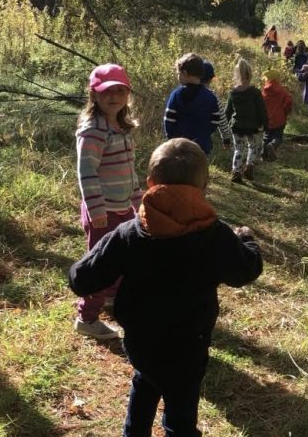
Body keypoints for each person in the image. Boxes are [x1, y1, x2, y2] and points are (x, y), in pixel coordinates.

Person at [68, 138, 263, 437]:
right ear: (205, 186)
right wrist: (247, 240)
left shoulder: (129, 234)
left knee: (145, 380)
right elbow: (246, 271)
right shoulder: (215, 235)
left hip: (141, 342)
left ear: (149, 184)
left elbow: (81, 279)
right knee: (181, 409)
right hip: (189, 345)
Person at [74, 64, 144, 339]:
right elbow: (87, 171)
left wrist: (137, 201)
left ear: (127, 94)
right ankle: (86, 318)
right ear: (94, 95)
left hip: (122, 206)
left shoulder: (122, 126)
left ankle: (112, 296)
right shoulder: (93, 130)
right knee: (101, 264)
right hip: (102, 210)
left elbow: (129, 169)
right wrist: (96, 208)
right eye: (107, 92)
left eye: (119, 91)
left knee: (123, 256)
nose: (113, 97)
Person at [164, 53, 232, 154]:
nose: (178, 76)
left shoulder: (176, 95)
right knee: (198, 169)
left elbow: (169, 119)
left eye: (178, 74)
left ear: (185, 73)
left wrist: (171, 138)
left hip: (178, 146)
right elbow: (215, 120)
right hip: (201, 148)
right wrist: (205, 133)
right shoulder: (211, 97)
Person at [225, 57, 268, 183]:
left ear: (237, 75)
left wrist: (223, 125)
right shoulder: (255, 92)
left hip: (236, 126)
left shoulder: (233, 93)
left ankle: (236, 171)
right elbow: (261, 110)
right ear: (250, 75)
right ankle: (249, 166)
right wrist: (265, 124)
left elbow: (228, 111)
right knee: (253, 147)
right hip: (252, 126)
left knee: (238, 148)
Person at [261, 69, 293, 161]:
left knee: (266, 136)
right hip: (279, 118)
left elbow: (260, 104)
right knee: (277, 137)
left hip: (267, 119)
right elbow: (289, 101)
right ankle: (273, 144)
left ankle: (263, 154)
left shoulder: (264, 91)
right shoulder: (281, 90)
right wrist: (286, 111)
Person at [201, 61, 234, 144]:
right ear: (211, 79)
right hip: (203, 138)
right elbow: (221, 118)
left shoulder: (186, 91)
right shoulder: (212, 96)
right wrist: (226, 138)